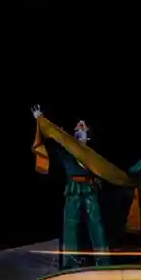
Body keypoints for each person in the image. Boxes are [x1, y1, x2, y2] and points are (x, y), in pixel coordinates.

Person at [32, 105, 121, 270]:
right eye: (78, 126)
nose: (80, 128)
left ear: (88, 133)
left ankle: (103, 262)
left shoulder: (92, 153)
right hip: (73, 188)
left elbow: (103, 169)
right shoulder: (67, 150)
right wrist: (41, 119)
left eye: (83, 126)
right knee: (70, 225)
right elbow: (53, 135)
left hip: (89, 188)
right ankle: (70, 263)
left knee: (96, 225)